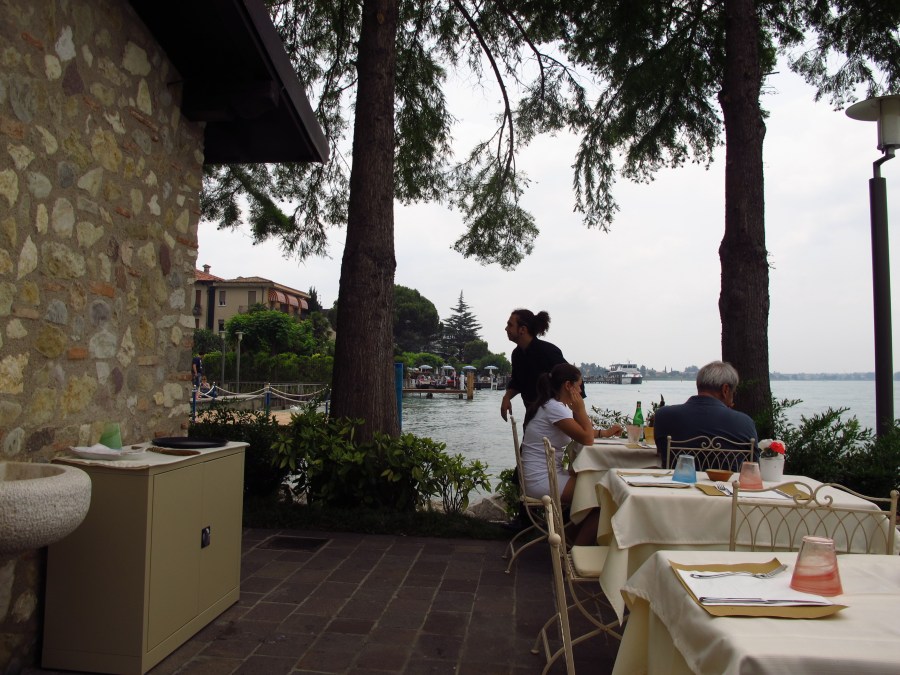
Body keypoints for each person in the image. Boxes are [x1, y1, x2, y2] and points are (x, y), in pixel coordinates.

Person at [519, 363, 622, 546]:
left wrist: (604, 433)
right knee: (606, 497)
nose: (581, 390)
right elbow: (587, 439)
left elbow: (581, 433)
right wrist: (580, 409)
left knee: (596, 489)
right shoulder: (555, 409)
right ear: (569, 385)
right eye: (579, 385)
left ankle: (567, 540)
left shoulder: (553, 406)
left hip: (545, 475)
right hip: (541, 479)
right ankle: (574, 552)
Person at [653, 360, 759, 468]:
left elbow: (661, 451)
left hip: (678, 482)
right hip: (727, 484)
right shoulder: (744, 422)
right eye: (734, 392)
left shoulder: (664, 416)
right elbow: (754, 465)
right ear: (725, 390)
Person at [501, 309, 582, 421]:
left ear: (522, 329)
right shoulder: (517, 354)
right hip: (531, 418)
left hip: (554, 420)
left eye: (510, 325)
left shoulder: (548, 352)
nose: (506, 329)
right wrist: (506, 398)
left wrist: (579, 421)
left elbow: (576, 381)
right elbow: (517, 382)